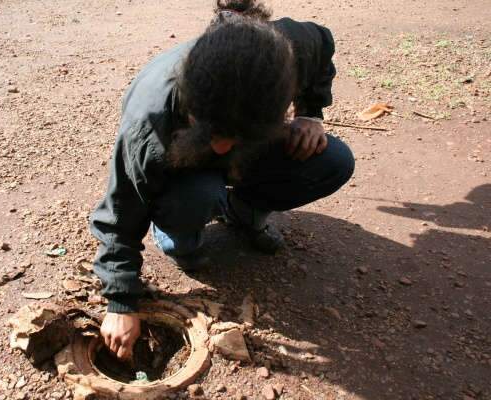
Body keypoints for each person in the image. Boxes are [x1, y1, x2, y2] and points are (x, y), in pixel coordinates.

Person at [89, 0, 354, 360]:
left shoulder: (285, 53)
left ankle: (244, 210)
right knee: (197, 195)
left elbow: (322, 43)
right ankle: (178, 235)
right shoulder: (150, 120)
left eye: (233, 134)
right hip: (185, 166)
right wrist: (120, 302)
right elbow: (120, 212)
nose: (220, 145)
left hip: (256, 140)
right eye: (212, 129)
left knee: (333, 161)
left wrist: (310, 113)